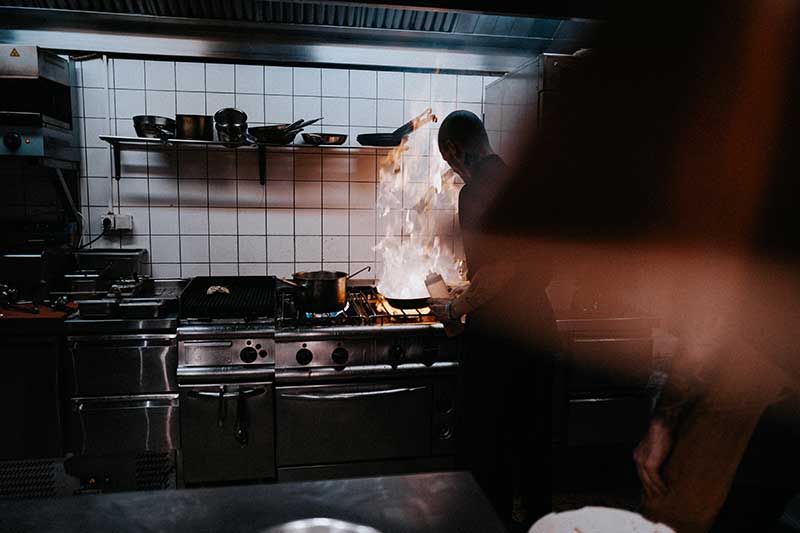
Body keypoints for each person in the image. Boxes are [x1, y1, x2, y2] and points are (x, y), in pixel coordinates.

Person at [429, 110, 560, 527]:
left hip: (500, 340)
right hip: (539, 328)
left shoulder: (475, 192)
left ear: (453, 149)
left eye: (448, 161)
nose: (452, 170)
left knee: (487, 454)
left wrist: (454, 308)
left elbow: (499, 272)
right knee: (533, 447)